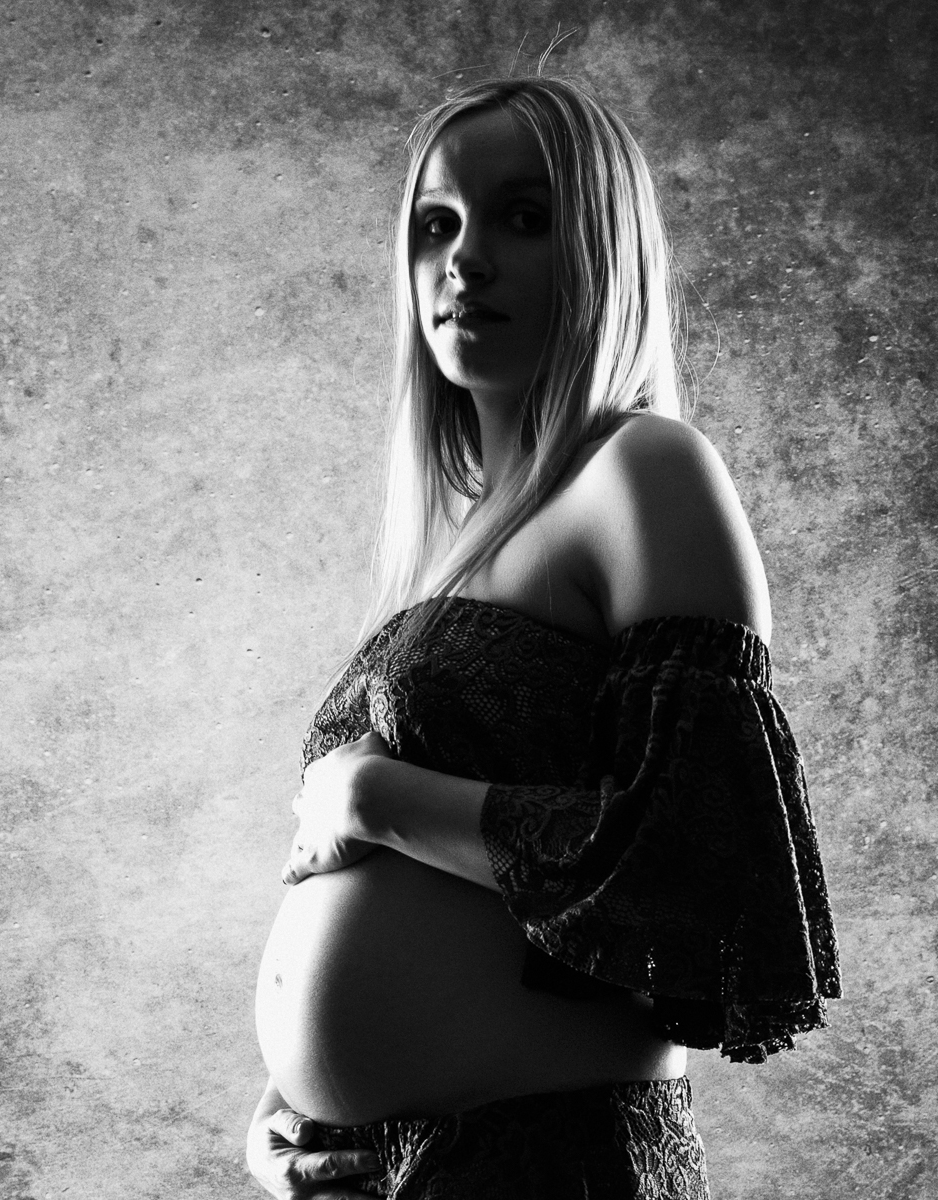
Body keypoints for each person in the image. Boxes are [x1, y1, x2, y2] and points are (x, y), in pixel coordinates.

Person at [246, 74, 840, 1199]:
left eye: (524, 217)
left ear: (605, 253)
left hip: (550, 1166)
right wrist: (284, 1116)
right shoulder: (453, 538)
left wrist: (377, 799)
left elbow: (703, 865)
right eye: (438, 225)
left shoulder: (642, 470)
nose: (464, 261)